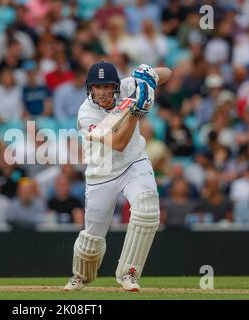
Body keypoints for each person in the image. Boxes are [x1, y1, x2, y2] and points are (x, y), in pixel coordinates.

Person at [64, 61, 172, 292]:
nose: (102, 93)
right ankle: (79, 276)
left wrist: (149, 77)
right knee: (93, 239)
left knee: (147, 211)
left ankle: (129, 275)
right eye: (96, 87)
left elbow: (168, 73)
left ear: (115, 86)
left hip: (135, 163)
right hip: (102, 172)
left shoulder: (126, 86)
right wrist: (136, 112)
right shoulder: (86, 114)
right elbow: (120, 143)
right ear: (89, 89)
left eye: (106, 87)